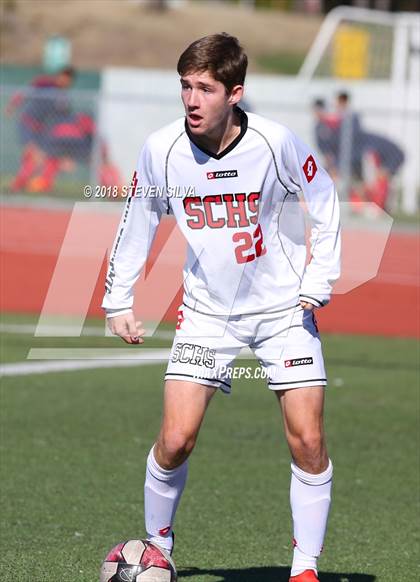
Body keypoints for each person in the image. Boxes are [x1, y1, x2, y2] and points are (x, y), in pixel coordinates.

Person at [102, 33, 341, 582]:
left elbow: (324, 199)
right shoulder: (161, 149)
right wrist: (119, 299)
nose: (191, 99)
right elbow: (135, 221)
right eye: (185, 86)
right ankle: (158, 550)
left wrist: (319, 276)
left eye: (204, 88)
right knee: (176, 438)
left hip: (284, 308)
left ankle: (304, 570)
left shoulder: (274, 142)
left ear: (235, 93)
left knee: (307, 439)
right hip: (207, 311)